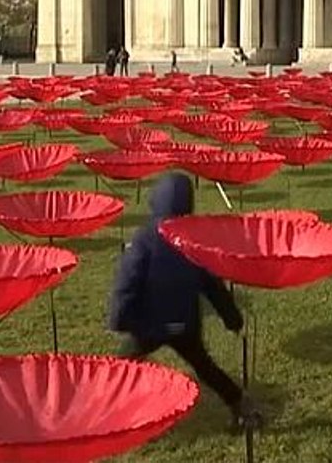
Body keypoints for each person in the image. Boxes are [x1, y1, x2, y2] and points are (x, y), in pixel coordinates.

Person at [108, 173, 259, 429]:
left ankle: (109, 412)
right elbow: (213, 287)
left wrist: (119, 318)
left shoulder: (144, 239)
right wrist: (232, 318)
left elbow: (127, 283)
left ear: (156, 199)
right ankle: (239, 405)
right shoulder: (194, 240)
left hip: (149, 326)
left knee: (121, 367)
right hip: (185, 324)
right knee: (205, 367)